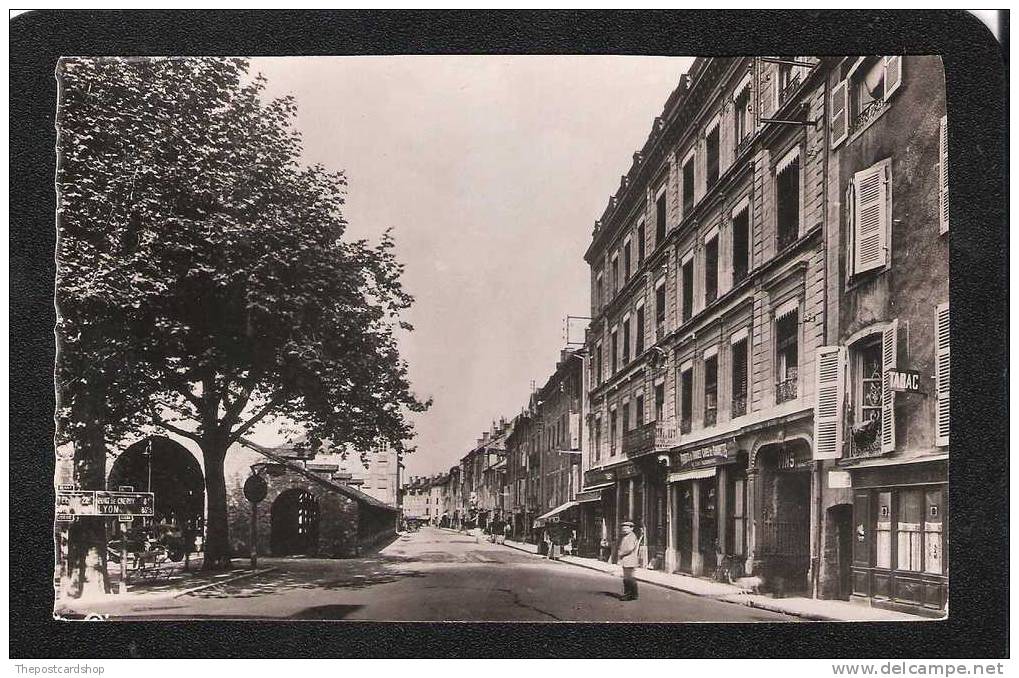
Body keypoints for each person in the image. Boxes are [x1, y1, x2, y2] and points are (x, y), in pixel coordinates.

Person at [617, 520, 641, 601]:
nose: (624, 529)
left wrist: (621, 553)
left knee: (627, 578)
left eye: (626, 528)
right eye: (623, 528)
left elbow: (629, 548)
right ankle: (634, 594)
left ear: (631, 528)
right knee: (630, 577)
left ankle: (628, 594)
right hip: (627, 560)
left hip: (629, 559)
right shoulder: (625, 536)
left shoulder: (631, 537)